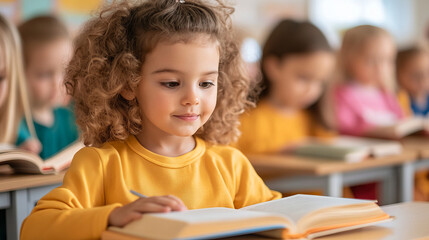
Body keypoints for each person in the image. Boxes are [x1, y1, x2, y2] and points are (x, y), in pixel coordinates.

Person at [20, 1, 281, 239]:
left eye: (206, 83)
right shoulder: (101, 164)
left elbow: (282, 220)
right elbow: (34, 228)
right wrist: (112, 216)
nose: (193, 98)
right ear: (127, 82)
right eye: (171, 83)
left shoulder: (231, 166)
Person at [234, 19, 336, 155]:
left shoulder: (316, 122)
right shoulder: (243, 121)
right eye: (304, 78)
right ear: (274, 67)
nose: (312, 90)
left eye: (320, 82)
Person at [16, 15, 79, 159]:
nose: (58, 83)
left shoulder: (70, 118)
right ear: (19, 74)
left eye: (65, 71)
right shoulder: (15, 123)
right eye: (44, 74)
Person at [396, 46, 429, 116]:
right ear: (398, 75)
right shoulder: (400, 100)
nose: (423, 79)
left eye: (427, 72)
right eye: (416, 75)